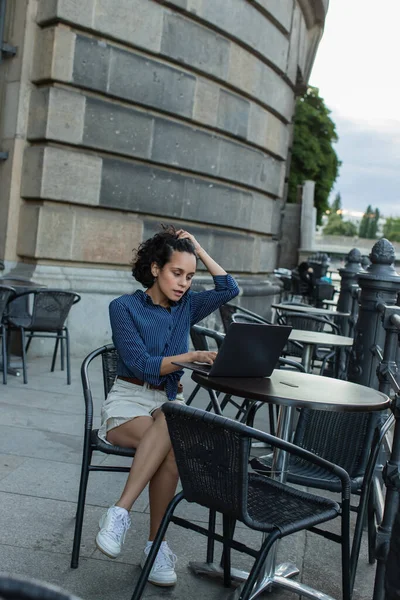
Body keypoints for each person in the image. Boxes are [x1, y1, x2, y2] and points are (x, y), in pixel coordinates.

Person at [95, 225, 239, 587]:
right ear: (156, 268)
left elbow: (229, 289)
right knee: (174, 432)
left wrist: (198, 249)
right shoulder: (124, 307)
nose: (184, 284)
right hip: (128, 402)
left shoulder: (186, 305)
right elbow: (143, 364)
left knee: (172, 426)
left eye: (190, 277)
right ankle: (134, 525)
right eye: (177, 273)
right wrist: (191, 355)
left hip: (167, 403)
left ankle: (144, 537)